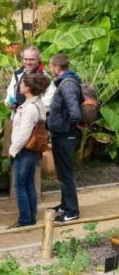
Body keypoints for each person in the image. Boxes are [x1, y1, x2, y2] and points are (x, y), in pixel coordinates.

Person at [9, 73, 50, 228]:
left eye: (21, 84)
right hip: (33, 150)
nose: (20, 86)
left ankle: (25, 219)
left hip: (24, 150)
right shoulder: (38, 104)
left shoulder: (30, 108)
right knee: (29, 184)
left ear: (27, 88)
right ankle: (31, 216)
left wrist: (13, 150)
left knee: (20, 186)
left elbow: (24, 134)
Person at [47, 54, 82, 223]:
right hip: (61, 134)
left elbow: (75, 113)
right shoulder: (65, 82)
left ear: (57, 67)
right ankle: (65, 204)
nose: (49, 69)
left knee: (66, 174)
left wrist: (65, 127)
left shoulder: (67, 85)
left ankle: (72, 211)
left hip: (64, 135)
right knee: (62, 173)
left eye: (50, 66)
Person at [5, 46, 55, 111]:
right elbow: (11, 91)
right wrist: (9, 102)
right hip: (17, 115)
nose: (28, 62)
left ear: (38, 59)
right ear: (22, 59)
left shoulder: (45, 77)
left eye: (32, 59)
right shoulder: (18, 73)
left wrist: (30, 112)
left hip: (35, 117)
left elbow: (48, 102)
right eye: (25, 59)